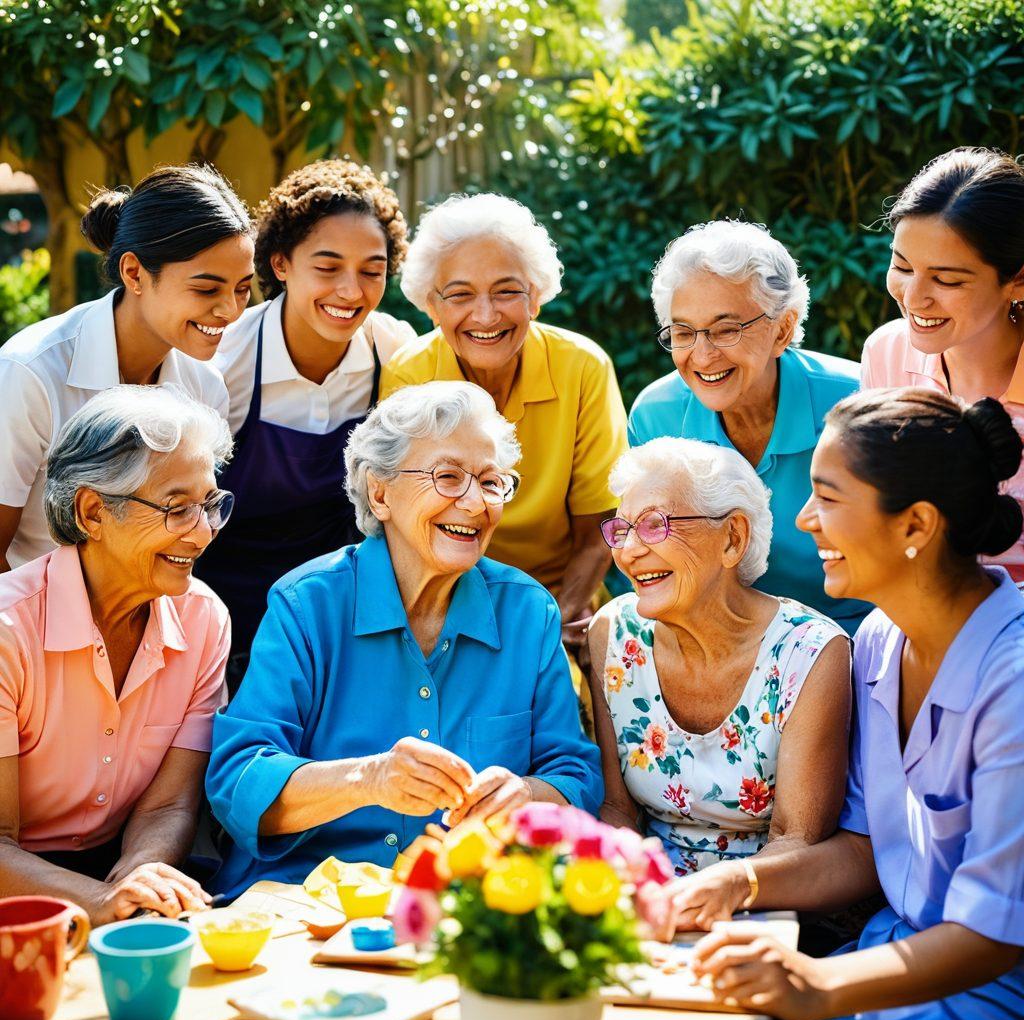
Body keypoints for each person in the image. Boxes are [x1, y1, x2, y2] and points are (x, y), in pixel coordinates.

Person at [686, 388, 1024, 1020]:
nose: (804, 519)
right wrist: (738, 882)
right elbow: (865, 849)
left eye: (828, 497)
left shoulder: (1014, 686)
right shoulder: (878, 640)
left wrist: (816, 984)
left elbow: (993, 937)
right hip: (881, 965)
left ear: (915, 525)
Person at [206, 382, 603, 899]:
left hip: (466, 904)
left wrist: (525, 795)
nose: (474, 503)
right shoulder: (308, 604)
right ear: (380, 493)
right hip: (307, 900)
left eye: (491, 482)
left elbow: (575, 774)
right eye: (448, 477)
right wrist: (369, 779)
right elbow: (238, 779)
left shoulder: (527, 612)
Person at [586, 438, 849, 929]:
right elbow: (616, 809)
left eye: (655, 524)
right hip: (645, 901)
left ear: (732, 537)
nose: (630, 550)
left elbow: (798, 839)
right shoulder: (615, 633)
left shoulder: (811, 651)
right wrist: (643, 896)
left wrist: (707, 903)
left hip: (765, 905)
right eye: (621, 530)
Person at [0, 386, 234, 924]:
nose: (203, 532)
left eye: (210, 505)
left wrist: (139, 883)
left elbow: (168, 806)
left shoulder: (203, 620)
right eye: (177, 508)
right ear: (93, 512)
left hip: (119, 865)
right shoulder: (9, 631)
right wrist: (103, 902)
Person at [380, 193, 628, 669]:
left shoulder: (583, 368)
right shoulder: (410, 374)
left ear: (535, 296)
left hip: (559, 597)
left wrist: (553, 620)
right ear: (431, 305)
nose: (486, 315)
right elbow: (408, 532)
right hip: (443, 599)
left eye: (507, 291)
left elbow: (600, 528)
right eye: (460, 295)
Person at [196, 160, 416, 685]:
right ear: (280, 264)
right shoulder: (224, 362)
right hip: (223, 615)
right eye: (327, 266)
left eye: (371, 270)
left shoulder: (394, 351)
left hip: (338, 617)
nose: (351, 291)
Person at [0, 164, 253, 572]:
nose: (230, 310)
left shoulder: (205, 388)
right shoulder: (30, 373)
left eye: (242, 289)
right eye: (207, 289)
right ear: (134, 273)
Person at [629, 221, 869, 634]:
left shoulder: (857, 401)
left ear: (783, 329)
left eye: (726, 330)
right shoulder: (656, 417)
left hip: (853, 632)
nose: (702, 355)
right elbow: (649, 553)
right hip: (718, 634)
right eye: (683, 332)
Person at [861, 146, 1024, 580]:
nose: (914, 298)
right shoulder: (887, 354)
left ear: (1018, 279)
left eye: (946, 280)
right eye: (902, 267)